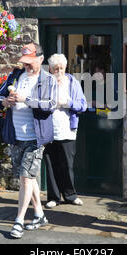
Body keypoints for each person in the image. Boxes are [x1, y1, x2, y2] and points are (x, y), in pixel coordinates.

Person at [0, 42, 58, 239]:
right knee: (26, 178)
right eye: (25, 63)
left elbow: (51, 105)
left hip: (35, 137)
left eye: (30, 62)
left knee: (26, 178)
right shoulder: (15, 75)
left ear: (40, 59)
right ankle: (39, 215)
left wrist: (26, 100)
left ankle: (19, 221)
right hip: (16, 136)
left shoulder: (48, 80)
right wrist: (5, 102)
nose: (27, 66)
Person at [44, 54, 87, 209]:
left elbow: (83, 105)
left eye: (61, 68)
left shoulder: (72, 82)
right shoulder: (44, 83)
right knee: (51, 164)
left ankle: (70, 195)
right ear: (50, 69)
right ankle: (54, 197)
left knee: (67, 164)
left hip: (67, 129)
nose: (59, 71)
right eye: (56, 68)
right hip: (49, 130)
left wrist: (68, 103)